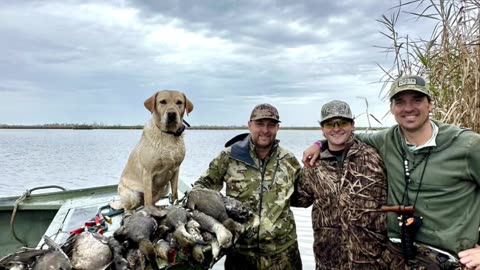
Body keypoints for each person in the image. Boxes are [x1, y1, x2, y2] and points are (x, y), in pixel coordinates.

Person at [302, 75, 480, 269]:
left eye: (417, 100)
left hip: (446, 259)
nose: (408, 108)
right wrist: (319, 144)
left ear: (430, 104)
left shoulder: (468, 145)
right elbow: (341, 138)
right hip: (394, 256)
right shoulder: (386, 140)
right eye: (400, 102)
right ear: (392, 108)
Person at [192, 103, 302, 270]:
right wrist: (217, 216)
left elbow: (301, 198)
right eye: (259, 124)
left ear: (278, 127)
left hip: (283, 253)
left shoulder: (288, 160)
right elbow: (201, 188)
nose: (265, 130)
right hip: (241, 254)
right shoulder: (229, 156)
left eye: (271, 124)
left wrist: (318, 145)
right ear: (249, 125)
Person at [290, 100, 387, 270]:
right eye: (329, 124)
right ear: (322, 129)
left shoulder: (374, 157)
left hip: (372, 261)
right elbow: (297, 199)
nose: (336, 128)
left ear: (352, 125)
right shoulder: (314, 165)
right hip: (328, 262)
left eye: (342, 122)